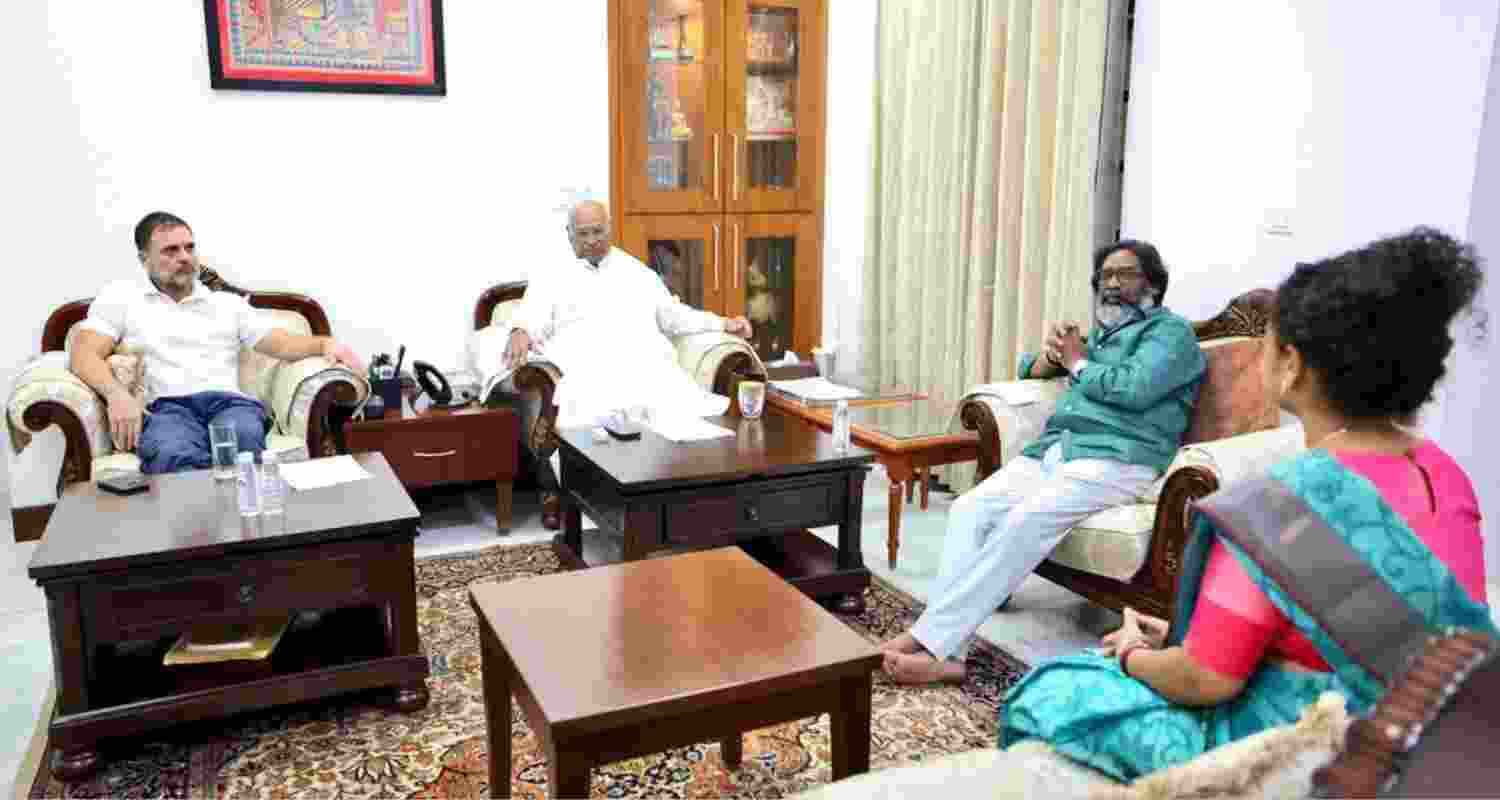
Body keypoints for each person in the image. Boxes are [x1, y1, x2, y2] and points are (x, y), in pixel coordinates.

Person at [1002, 227, 1497, 782]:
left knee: (1048, 690)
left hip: (1305, 751)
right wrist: (1187, 631)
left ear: (1293, 365)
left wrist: (1130, 656)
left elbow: (1206, 680)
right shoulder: (1446, 474)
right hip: (1425, 738)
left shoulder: (1279, 503)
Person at [882, 241, 1208, 685]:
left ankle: (929, 640)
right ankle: (948, 650)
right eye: (1105, 276)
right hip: (1058, 450)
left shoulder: (1171, 334)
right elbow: (1031, 368)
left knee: (1025, 519)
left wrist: (1076, 361)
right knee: (969, 509)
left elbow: (1133, 389)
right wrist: (1053, 357)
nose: (1111, 283)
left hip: (1118, 458)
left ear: (1152, 283)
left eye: (1124, 274)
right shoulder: (1107, 336)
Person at [500, 200, 752, 528]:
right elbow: (530, 318)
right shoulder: (552, 276)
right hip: (587, 367)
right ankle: (594, 503)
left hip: (644, 361)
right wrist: (520, 331)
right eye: (583, 233)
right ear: (569, 235)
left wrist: (722, 323)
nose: (592, 239)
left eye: (598, 231)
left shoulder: (637, 272)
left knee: (678, 411)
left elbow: (673, 317)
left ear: (611, 229)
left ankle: (680, 500)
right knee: (590, 411)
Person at [70, 211, 363, 474]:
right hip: (167, 410)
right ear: (144, 259)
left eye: (189, 247)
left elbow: (281, 343)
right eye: (171, 250)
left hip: (230, 404)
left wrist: (326, 345)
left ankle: (253, 532)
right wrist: (116, 394)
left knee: (244, 446)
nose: (184, 257)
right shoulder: (122, 299)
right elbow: (82, 354)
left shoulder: (226, 304)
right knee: (172, 455)